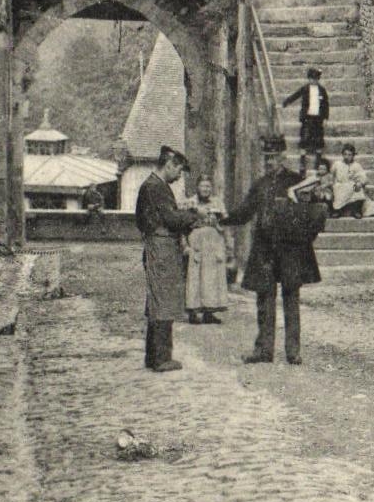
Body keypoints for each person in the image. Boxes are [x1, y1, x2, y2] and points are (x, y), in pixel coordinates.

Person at [222, 132, 327, 366]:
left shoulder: (296, 181)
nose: (269, 161)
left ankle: (293, 352)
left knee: (291, 299)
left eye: (273, 156)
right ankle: (264, 350)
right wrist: (223, 219)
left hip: (291, 250)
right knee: (264, 300)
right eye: (266, 157)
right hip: (266, 250)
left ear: (282, 156)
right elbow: (246, 212)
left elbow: (311, 212)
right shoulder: (260, 185)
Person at [134, 145, 197, 373]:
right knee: (163, 301)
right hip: (161, 248)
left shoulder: (152, 186)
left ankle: (153, 356)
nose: (180, 176)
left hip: (157, 246)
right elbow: (171, 218)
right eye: (178, 170)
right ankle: (161, 358)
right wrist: (192, 215)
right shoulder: (156, 187)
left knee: (156, 301)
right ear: (169, 164)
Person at [184, 176, 228, 325]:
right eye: (203, 186)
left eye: (208, 186)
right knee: (195, 275)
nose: (206, 189)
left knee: (211, 277)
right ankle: (193, 312)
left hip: (213, 242)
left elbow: (225, 222)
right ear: (198, 187)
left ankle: (209, 312)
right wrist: (185, 245)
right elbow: (183, 224)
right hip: (197, 240)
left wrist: (219, 220)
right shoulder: (190, 202)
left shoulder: (217, 202)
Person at [281, 66, 330, 161]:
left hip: (318, 117)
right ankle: (302, 159)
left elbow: (326, 104)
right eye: (311, 78)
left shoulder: (322, 90)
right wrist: (285, 103)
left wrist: (325, 118)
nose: (313, 81)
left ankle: (318, 159)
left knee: (319, 137)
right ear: (309, 79)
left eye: (315, 79)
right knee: (304, 136)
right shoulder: (305, 88)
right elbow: (295, 95)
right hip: (307, 117)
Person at [330, 142, 374, 218]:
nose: (347, 157)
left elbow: (363, 177)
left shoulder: (356, 165)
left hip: (351, 185)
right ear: (342, 154)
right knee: (337, 188)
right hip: (340, 185)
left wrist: (360, 183)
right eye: (345, 154)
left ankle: (356, 210)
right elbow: (331, 175)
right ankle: (337, 211)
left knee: (358, 189)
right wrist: (332, 183)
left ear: (353, 156)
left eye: (349, 155)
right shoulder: (337, 164)